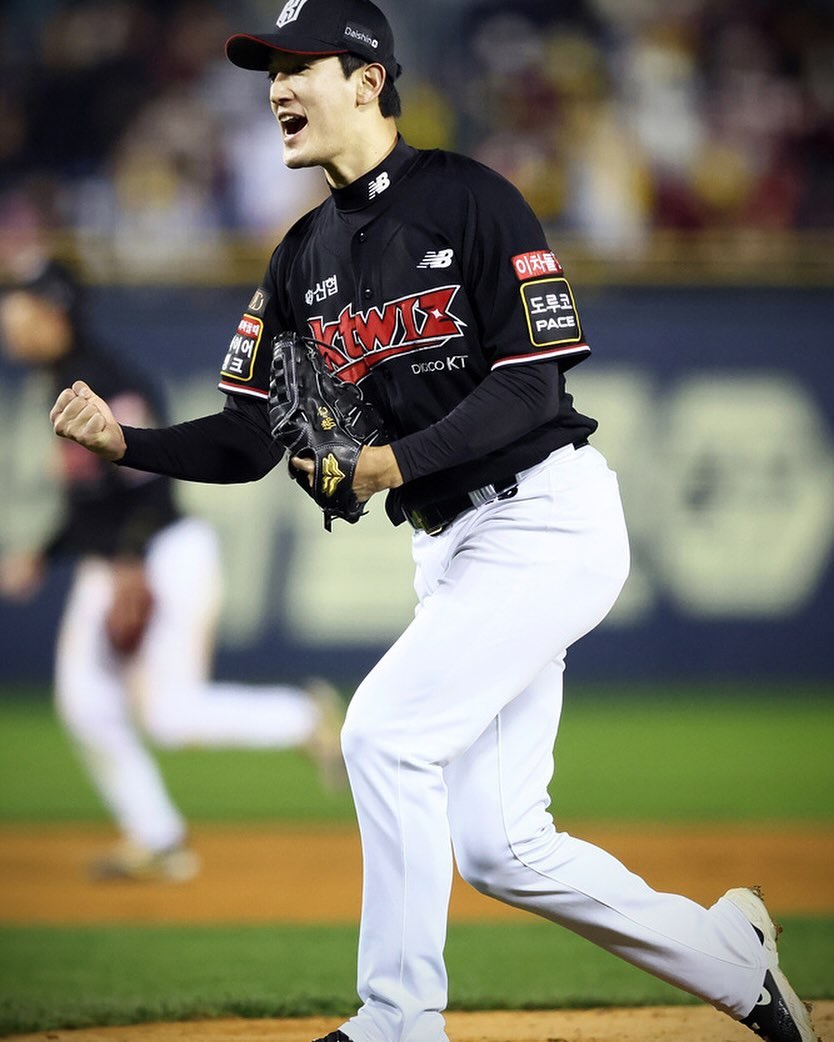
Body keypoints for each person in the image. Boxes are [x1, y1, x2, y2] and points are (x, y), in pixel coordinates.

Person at [47, 1, 816, 1039]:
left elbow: (532, 386)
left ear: (368, 79)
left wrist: (388, 461)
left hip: (544, 521)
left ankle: (398, 1021)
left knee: (382, 734)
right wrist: (125, 443)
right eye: (268, 71)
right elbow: (247, 435)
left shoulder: (473, 200)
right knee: (503, 848)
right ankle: (734, 961)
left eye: (298, 66)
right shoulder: (300, 258)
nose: (277, 88)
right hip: (450, 546)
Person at [0, 258, 345, 883]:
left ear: (55, 313)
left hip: (158, 554)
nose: (11, 324)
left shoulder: (103, 380)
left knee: (169, 713)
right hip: (117, 560)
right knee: (85, 704)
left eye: (22, 310)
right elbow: (89, 501)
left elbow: (149, 483)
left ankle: (303, 716)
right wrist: (45, 556)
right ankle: (157, 838)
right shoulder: (60, 379)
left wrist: (131, 562)